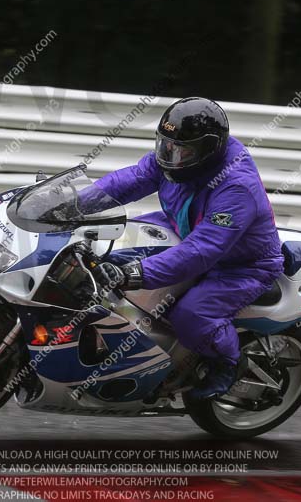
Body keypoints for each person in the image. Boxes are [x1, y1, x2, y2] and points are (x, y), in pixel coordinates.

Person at [92, 97, 283, 400]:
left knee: (190, 316)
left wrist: (135, 272)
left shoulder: (235, 187)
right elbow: (130, 180)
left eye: (183, 152)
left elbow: (204, 250)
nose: (171, 156)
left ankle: (229, 363)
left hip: (239, 265)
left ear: (208, 151)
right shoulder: (177, 156)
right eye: (167, 146)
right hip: (184, 227)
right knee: (106, 250)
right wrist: (77, 202)